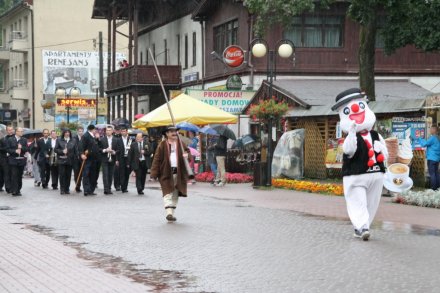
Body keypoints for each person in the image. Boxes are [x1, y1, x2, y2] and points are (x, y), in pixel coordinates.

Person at [331, 88, 388, 241]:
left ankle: (361, 227)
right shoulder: (350, 137)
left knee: (372, 203)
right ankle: (363, 226)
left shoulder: (376, 135)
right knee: (358, 201)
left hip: (376, 174)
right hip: (356, 175)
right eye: (349, 109)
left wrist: (383, 151)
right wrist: (351, 132)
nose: (356, 110)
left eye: (360, 106)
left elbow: (386, 154)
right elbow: (349, 150)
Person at [150, 125, 191, 222]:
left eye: (175, 131)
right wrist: (154, 174)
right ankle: (168, 212)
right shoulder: (162, 145)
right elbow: (157, 159)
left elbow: (189, 155)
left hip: (179, 173)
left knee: (175, 193)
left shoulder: (181, 144)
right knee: (167, 192)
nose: (174, 133)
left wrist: (187, 155)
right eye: (171, 131)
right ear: (167, 134)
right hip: (166, 173)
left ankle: (171, 214)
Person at [416, 126, 440, 190]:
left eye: (431, 129)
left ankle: (433, 188)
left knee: (432, 174)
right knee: (436, 173)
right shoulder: (438, 138)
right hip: (437, 159)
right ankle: (438, 188)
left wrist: (419, 138)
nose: (430, 130)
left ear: (434, 130)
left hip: (431, 158)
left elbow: (424, 144)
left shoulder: (433, 138)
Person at [6, 127, 28, 196]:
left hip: (21, 160)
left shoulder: (24, 140)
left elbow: (27, 149)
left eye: (22, 131)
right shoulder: (10, 139)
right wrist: (15, 151)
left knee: (19, 175)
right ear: (16, 132)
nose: (21, 132)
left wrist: (22, 148)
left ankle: (18, 189)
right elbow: (8, 149)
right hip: (13, 160)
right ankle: (14, 190)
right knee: (14, 175)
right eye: (20, 131)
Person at [99, 126, 121, 195]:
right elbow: (99, 149)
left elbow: (119, 149)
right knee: (105, 174)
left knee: (110, 174)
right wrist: (105, 150)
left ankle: (109, 188)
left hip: (113, 159)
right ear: (105, 131)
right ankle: (106, 189)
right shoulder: (102, 139)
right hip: (104, 159)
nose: (108, 131)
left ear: (112, 131)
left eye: (109, 130)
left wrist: (114, 152)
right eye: (107, 130)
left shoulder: (116, 140)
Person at [55, 129, 77, 194]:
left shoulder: (73, 140)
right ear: (63, 133)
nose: (67, 133)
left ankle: (67, 189)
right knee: (62, 175)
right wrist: (62, 151)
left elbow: (76, 150)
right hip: (61, 160)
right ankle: (62, 189)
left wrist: (76, 158)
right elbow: (55, 149)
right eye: (66, 132)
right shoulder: (59, 140)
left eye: (68, 132)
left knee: (68, 175)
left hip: (70, 160)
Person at [80, 125, 100, 196]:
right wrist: (82, 154)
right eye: (95, 129)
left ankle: (91, 190)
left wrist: (97, 139)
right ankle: (86, 190)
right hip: (87, 158)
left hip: (94, 159)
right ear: (92, 129)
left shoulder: (94, 137)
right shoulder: (85, 136)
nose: (96, 131)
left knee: (93, 175)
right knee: (86, 174)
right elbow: (81, 146)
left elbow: (96, 146)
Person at [0, 126, 15, 193]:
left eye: (11, 130)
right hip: (5, 159)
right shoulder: (3, 139)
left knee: (13, 173)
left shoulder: (16, 138)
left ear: (13, 130)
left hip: (14, 158)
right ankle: (8, 188)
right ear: (6, 131)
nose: (10, 131)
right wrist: (7, 149)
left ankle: (13, 187)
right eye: (9, 130)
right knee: (6, 173)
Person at [119, 127, 132, 193]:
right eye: (122, 131)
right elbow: (117, 150)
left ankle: (125, 186)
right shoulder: (118, 140)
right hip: (121, 158)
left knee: (127, 173)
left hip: (128, 159)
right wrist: (117, 160)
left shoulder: (130, 140)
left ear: (127, 132)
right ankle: (123, 187)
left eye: (124, 131)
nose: (123, 132)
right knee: (122, 173)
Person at [73, 126, 84, 192]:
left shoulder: (84, 138)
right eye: (79, 131)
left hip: (83, 158)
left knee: (82, 173)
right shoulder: (74, 138)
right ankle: (77, 186)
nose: (81, 132)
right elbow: (74, 148)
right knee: (76, 173)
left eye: (82, 131)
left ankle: (79, 185)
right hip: (76, 158)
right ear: (77, 131)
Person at [113, 126, 122, 191]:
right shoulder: (113, 137)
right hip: (115, 157)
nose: (118, 131)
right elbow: (115, 150)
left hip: (122, 157)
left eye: (119, 130)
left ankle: (121, 184)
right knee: (116, 172)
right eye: (117, 130)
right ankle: (117, 185)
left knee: (120, 172)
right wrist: (116, 159)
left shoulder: (122, 137)